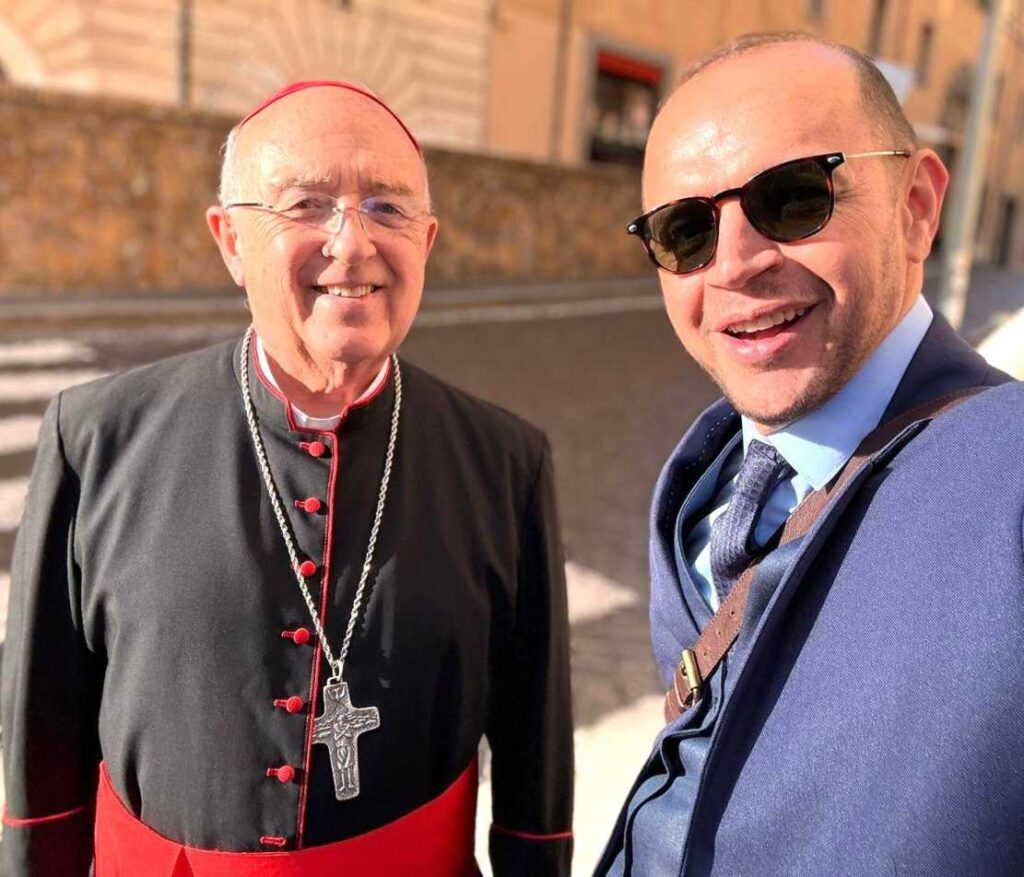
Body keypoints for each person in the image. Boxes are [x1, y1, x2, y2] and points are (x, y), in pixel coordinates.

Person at [2, 80, 573, 876]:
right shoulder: (97, 439)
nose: (353, 244)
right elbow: (43, 740)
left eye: (388, 208)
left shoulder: (506, 463)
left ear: (429, 240)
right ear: (230, 239)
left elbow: (533, 772)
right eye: (306, 204)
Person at [597, 33, 1024, 876]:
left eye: (793, 199)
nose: (735, 264)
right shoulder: (707, 482)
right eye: (685, 231)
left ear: (916, 207)